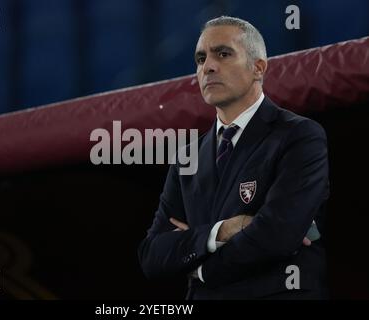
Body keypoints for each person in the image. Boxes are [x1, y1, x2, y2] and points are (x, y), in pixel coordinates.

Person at [138, 16, 329, 299]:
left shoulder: (300, 136)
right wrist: (223, 231)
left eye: (223, 54)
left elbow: (276, 236)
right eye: (201, 59)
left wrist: (200, 268)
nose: (208, 66)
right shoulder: (186, 157)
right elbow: (152, 255)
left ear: (258, 68)